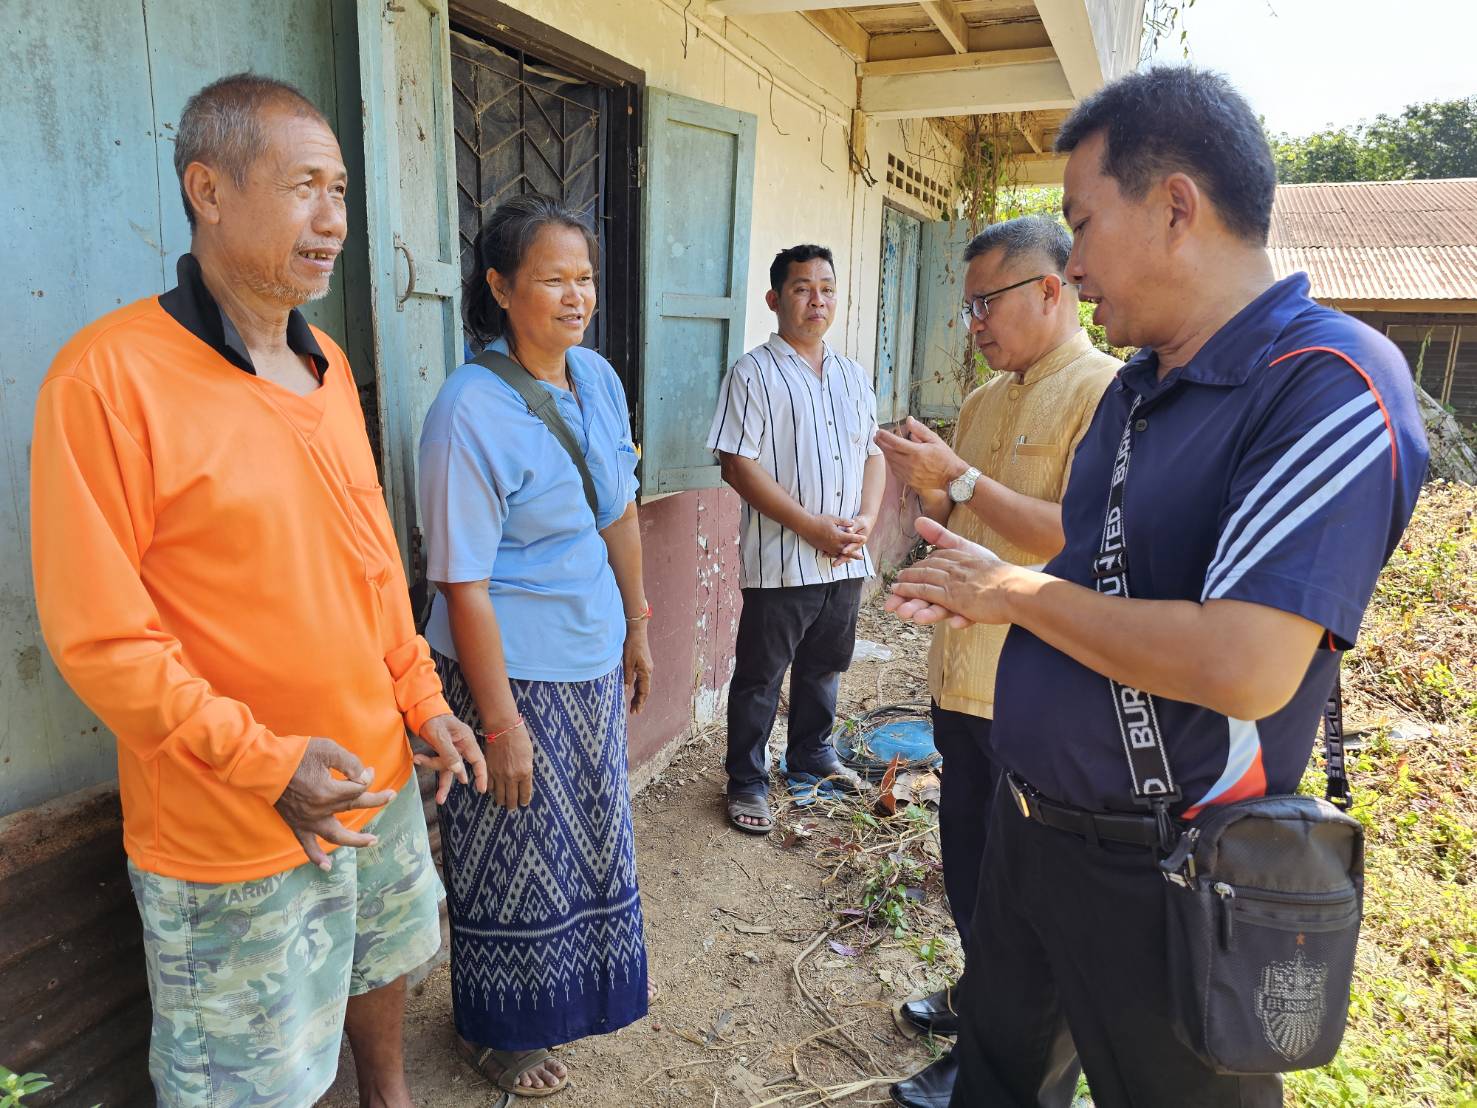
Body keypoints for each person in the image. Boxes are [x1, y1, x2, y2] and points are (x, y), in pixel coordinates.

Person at [887, 67, 1429, 1107]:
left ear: (1175, 206)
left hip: (1164, 868)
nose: (1073, 263)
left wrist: (1012, 593)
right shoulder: (1140, 386)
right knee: (997, 1076)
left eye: (1082, 224)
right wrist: (996, 585)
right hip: (1030, 823)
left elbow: (1243, 662)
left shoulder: (1328, 384)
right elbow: (1094, 568)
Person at [29, 74, 484, 1107]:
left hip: (370, 780)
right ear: (209, 189)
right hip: (232, 823)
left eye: (341, 192)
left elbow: (370, 567)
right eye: (304, 188)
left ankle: (388, 1098)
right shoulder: (107, 379)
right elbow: (104, 638)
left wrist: (420, 700)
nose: (333, 221)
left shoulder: (325, 367)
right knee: (250, 1081)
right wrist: (266, 763)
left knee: (381, 961)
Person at [875, 215, 1120, 1108]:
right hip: (961, 677)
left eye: (988, 301)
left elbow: (1077, 537)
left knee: (1025, 894)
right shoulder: (982, 402)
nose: (972, 322)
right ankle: (980, 996)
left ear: (1051, 290)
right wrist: (931, 485)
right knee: (971, 862)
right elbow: (963, 528)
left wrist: (966, 483)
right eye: (966, 304)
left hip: (1036, 689)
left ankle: (994, 1052)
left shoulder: (1106, 396)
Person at [418, 193, 653, 1097]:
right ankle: (494, 1031)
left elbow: (619, 509)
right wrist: (503, 723)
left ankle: (567, 1001)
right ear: (499, 287)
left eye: (584, 278)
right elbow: (461, 583)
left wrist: (637, 626)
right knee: (506, 847)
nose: (575, 296)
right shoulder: (467, 411)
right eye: (552, 279)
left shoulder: (593, 378)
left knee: (583, 838)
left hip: (588, 654)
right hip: (505, 671)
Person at [706, 244, 887, 835]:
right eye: (803, 288)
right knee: (762, 676)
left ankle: (811, 753)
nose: (818, 300)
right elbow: (737, 464)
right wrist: (811, 527)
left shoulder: (852, 376)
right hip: (783, 562)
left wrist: (866, 518)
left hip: (846, 563)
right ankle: (747, 780)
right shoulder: (753, 372)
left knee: (825, 666)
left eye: (827, 288)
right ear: (775, 299)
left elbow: (872, 455)